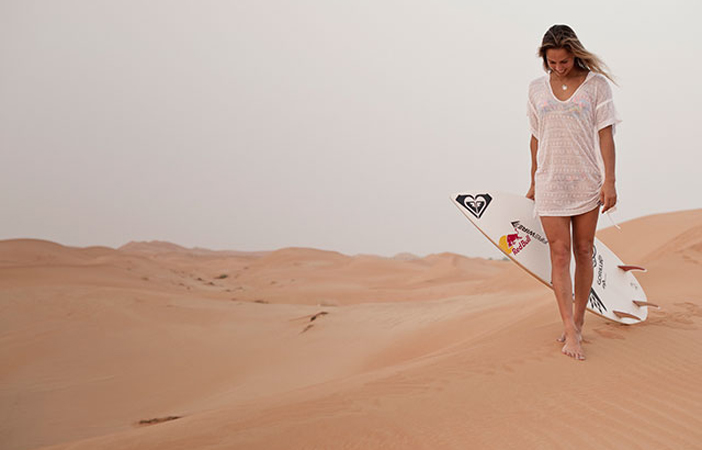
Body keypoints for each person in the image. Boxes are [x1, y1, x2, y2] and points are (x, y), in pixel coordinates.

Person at [526, 24, 620, 361]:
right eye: (552, 63)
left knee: (583, 250)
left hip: (585, 181)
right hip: (550, 182)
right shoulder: (536, 89)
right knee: (559, 254)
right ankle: (568, 328)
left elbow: (606, 135)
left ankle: (579, 321)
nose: (558, 68)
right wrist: (534, 180)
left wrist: (610, 181)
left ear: (575, 55)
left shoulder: (596, 86)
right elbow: (535, 137)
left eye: (564, 61)